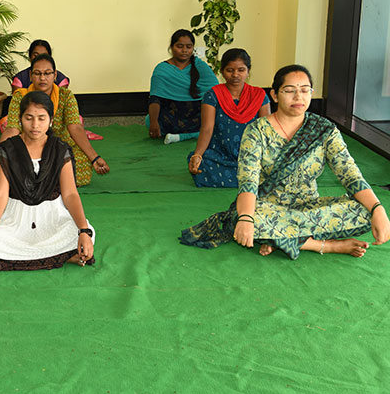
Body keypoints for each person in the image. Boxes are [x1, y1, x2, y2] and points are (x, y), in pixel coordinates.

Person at [180, 65, 390, 259]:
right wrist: (246, 218)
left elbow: (350, 174)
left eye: (305, 90)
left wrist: (377, 208)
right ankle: (325, 245)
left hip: (309, 208)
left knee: (365, 211)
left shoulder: (324, 130)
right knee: (244, 218)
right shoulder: (257, 131)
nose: (298, 96)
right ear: (275, 95)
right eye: (289, 90)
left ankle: (278, 238)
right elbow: (248, 182)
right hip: (266, 206)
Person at [0, 91, 96, 270]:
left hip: (53, 218)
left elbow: (70, 194)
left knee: (85, 233)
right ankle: (61, 256)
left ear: (51, 120)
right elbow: (0, 194)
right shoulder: (7, 149)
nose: (35, 125)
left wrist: (83, 231)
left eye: (41, 118)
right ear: (20, 119)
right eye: (29, 118)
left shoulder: (60, 150)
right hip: (16, 220)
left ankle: (49, 255)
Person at [0, 54, 109, 186]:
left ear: (55, 75)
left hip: (59, 147)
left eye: (47, 73)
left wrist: (94, 157)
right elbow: (12, 129)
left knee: (81, 163)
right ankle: (51, 179)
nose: (42, 78)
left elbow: (75, 127)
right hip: (29, 146)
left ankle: (40, 179)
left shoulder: (66, 96)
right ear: (30, 75)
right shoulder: (20, 97)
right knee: (11, 160)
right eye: (37, 73)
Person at [188, 48, 270, 187]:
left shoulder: (259, 95)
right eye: (230, 70)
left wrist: (268, 157)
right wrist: (198, 155)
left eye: (241, 70)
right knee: (200, 162)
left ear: (248, 71)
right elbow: (207, 128)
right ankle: (250, 178)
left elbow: (266, 130)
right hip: (220, 153)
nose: (235, 75)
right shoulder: (212, 95)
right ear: (222, 71)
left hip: (251, 154)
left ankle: (245, 175)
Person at [148, 29, 219, 144]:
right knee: (149, 120)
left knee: (216, 118)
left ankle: (180, 137)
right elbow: (155, 99)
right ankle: (192, 134)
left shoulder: (200, 66)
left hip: (198, 115)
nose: (184, 50)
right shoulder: (162, 69)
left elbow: (216, 92)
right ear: (171, 47)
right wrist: (153, 122)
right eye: (180, 46)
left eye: (189, 47)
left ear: (193, 48)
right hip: (172, 117)